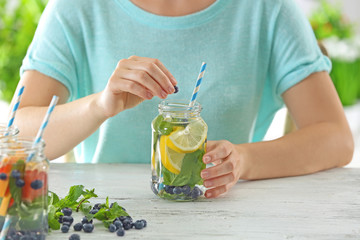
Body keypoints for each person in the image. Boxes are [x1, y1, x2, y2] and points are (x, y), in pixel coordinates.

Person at [11, 0, 354, 198]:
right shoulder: (76, 8)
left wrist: (244, 160)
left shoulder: (267, 8)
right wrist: (99, 105)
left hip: (222, 216)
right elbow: (15, 133)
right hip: (104, 213)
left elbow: (335, 137)